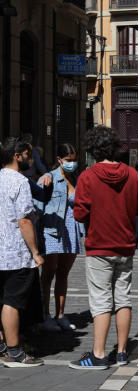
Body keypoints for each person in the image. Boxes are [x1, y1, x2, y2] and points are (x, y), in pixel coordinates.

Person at [71, 126, 138, 370]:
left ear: (92, 149)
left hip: (99, 246)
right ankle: (123, 352)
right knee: (123, 299)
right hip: (124, 245)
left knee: (101, 301)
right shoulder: (133, 174)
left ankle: (99, 354)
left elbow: (80, 213)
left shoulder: (88, 176)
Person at [0, 137, 45, 368]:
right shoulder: (19, 181)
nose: (31, 159)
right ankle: (14, 351)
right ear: (17, 156)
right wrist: (35, 251)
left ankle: (2, 345)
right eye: (28, 155)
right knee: (12, 301)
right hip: (15, 252)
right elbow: (24, 220)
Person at [39, 143, 83, 332]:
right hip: (52, 231)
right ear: (59, 160)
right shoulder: (49, 178)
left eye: (74, 160)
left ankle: (60, 314)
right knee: (48, 274)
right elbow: (37, 207)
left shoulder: (79, 179)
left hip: (71, 230)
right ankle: (44, 315)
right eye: (68, 160)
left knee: (63, 275)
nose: (71, 163)